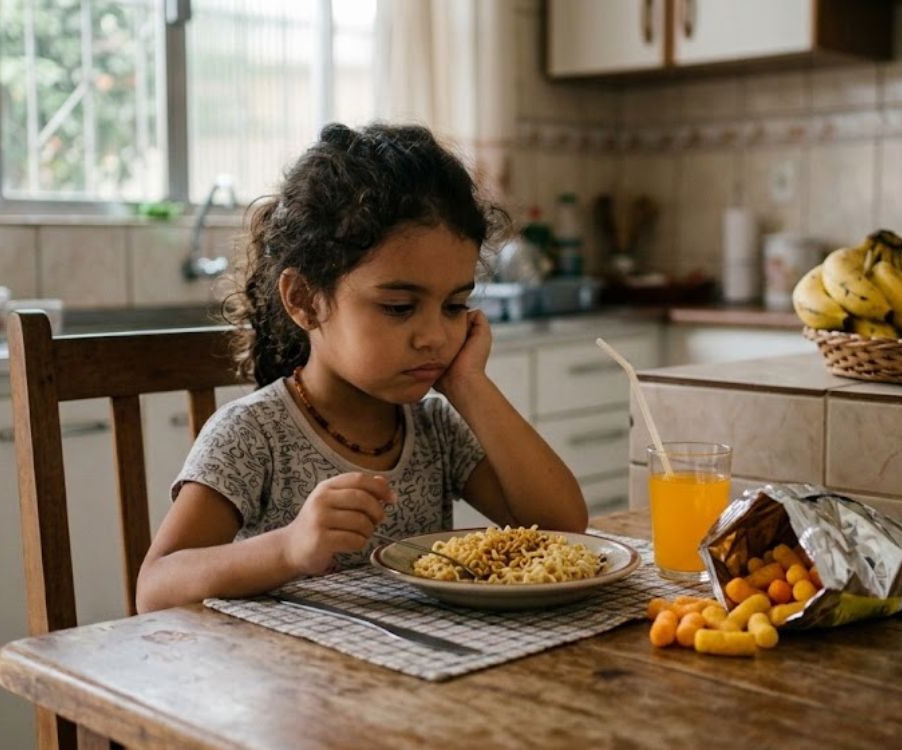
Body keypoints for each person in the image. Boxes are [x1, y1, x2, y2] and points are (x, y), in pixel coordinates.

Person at [136, 123, 587, 612]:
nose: (434, 336)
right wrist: (287, 548)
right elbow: (155, 588)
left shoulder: (434, 429)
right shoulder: (253, 434)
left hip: (414, 658)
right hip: (288, 660)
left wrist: (468, 384)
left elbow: (563, 526)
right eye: (398, 307)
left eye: (454, 306)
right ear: (304, 300)